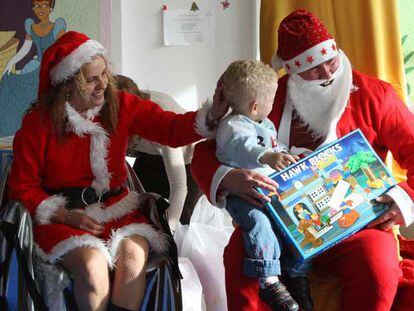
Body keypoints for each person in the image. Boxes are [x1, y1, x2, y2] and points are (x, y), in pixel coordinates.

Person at [191, 9, 414, 311]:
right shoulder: (270, 98)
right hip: (280, 228)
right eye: (312, 68)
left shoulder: (376, 95)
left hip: (355, 229)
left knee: (378, 266)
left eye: (331, 60)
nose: (327, 73)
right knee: (239, 253)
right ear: (292, 71)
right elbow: (209, 151)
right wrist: (230, 178)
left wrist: (403, 198)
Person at [8, 31, 222, 311]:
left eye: (104, 74)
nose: (102, 85)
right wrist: (67, 215)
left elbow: (169, 127)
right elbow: (21, 188)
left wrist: (212, 115)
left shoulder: (121, 105)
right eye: (91, 79)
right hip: (63, 219)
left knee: (133, 258)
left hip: (118, 210)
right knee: (93, 267)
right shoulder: (39, 123)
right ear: (67, 85)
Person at [215, 60, 301, 310]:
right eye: (271, 99)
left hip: (268, 186)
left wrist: (285, 155)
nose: (273, 104)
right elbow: (244, 148)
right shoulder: (233, 126)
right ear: (255, 106)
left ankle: (296, 275)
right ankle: (269, 280)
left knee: (291, 217)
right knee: (259, 224)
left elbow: (273, 146)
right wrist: (267, 157)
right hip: (244, 193)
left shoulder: (264, 123)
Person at [115, 75, 202, 230]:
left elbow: (179, 186)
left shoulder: (159, 118)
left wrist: (170, 230)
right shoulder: (105, 110)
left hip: (188, 159)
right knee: (140, 208)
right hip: (151, 155)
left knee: (182, 219)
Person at [0, 0, 66, 136]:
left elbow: (63, 50)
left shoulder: (57, 26)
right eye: (36, 6)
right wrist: (10, 62)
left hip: (52, 67)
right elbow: (26, 48)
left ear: (50, 8)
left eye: (44, 6)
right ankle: (13, 130)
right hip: (36, 66)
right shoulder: (31, 26)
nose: (40, 9)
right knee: (8, 80)